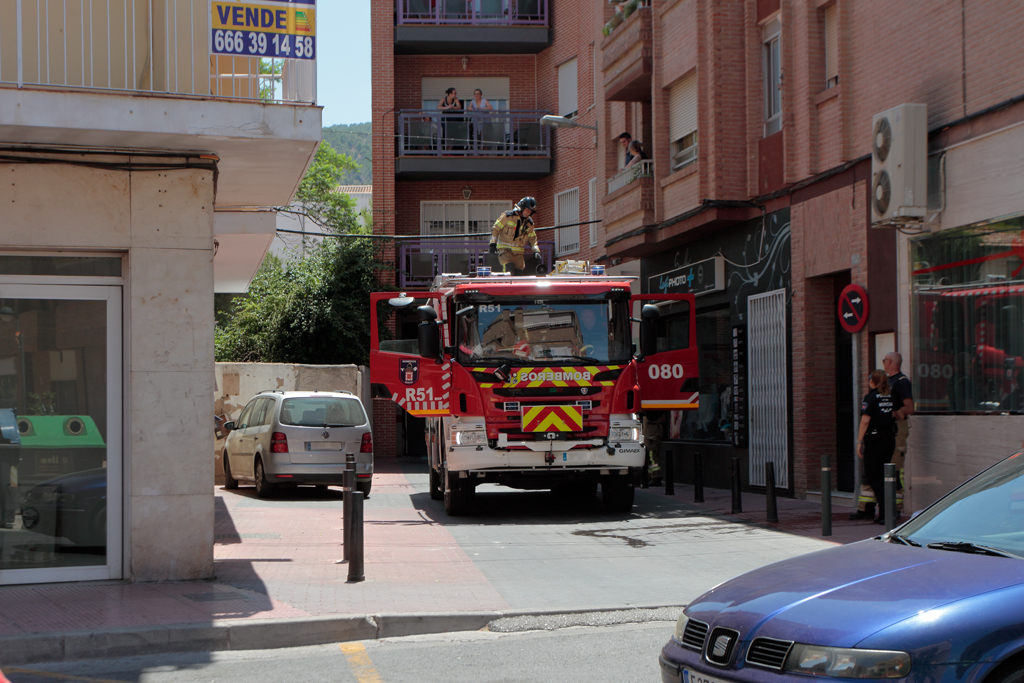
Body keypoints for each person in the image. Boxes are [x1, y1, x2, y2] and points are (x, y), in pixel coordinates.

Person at [857, 369, 896, 524]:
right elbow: (897, 413)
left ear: (872, 381)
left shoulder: (871, 397)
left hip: (874, 439)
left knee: (873, 476)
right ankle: (887, 512)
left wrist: (859, 442)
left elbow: (865, 421)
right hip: (889, 438)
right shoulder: (890, 396)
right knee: (884, 476)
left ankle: (886, 512)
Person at [489, 197, 541, 276]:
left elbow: (532, 238)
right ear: (522, 207)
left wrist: (536, 251)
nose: (528, 212)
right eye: (527, 210)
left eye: (531, 211)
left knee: (518, 275)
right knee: (508, 272)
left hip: (519, 254)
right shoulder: (507, 216)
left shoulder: (529, 223)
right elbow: (495, 229)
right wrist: (493, 244)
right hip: (505, 251)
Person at [643, 411, 666, 486]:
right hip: (650, 436)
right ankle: (652, 476)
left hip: (651, 436)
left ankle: (656, 477)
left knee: (652, 457)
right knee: (650, 457)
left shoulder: (652, 413)